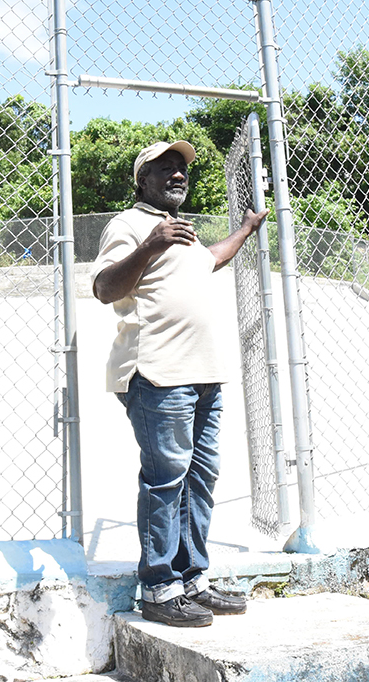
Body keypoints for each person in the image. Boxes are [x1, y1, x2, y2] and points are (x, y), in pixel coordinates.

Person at [90, 139, 268, 627]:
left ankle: (193, 580)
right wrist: (152, 243)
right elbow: (105, 288)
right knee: (166, 480)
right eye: (163, 168)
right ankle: (158, 588)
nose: (176, 175)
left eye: (180, 169)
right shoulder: (128, 225)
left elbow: (213, 257)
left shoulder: (184, 235)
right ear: (140, 181)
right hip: (158, 375)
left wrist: (247, 228)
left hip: (205, 376)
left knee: (200, 479)